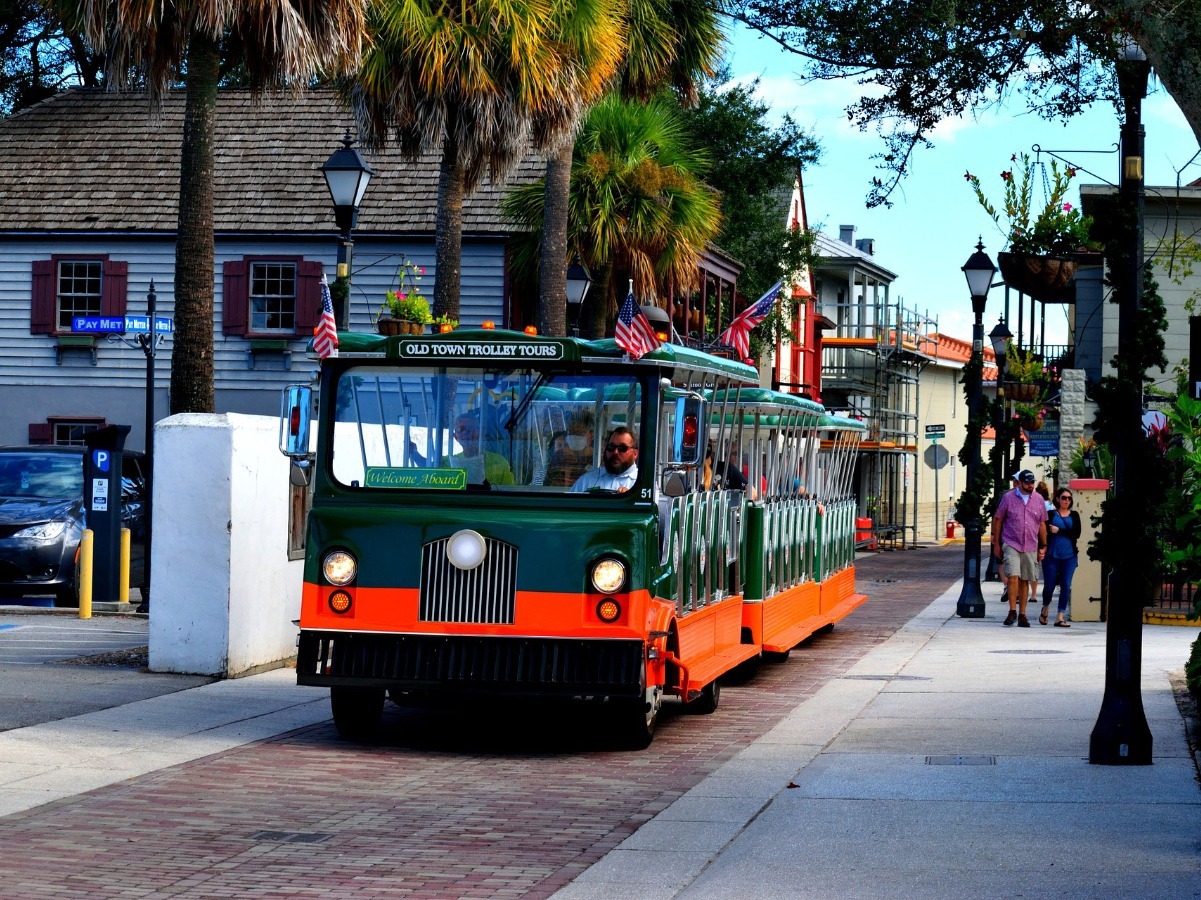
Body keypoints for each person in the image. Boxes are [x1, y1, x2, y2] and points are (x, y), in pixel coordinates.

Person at [990, 469, 1047, 627]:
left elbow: (1042, 523)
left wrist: (1043, 545)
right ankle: (1012, 611)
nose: (1030, 485)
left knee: (1025, 579)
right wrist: (996, 543)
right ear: (1020, 483)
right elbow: (998, 519)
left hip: (1030, 544)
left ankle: (1022, 614)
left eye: (1032, 482)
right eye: (1027, 482)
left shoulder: (1038, 499)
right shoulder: (1008, 497)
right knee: (1013, 576)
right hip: (1011, 542)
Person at [1040, 486, 1081, 627]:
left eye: (1069, 498)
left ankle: (1060, 616)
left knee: (1066, 584)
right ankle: (1045, 608)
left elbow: (1076, 533)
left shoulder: (1074, 515)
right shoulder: (1050, 514)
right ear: (1058, 499)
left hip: (1070, 556)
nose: (1067, 500)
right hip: (1052, 555)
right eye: (1064, 498)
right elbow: (1043, 531)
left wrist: (1059, 530)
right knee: (1049, 585)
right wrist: (1042, 548)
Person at [449, 412, 514, 485]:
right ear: (455, 437)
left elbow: (508, 490)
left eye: (471, 428)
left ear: (481, 433)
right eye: (461, 429)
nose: (467, 433)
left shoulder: (500, 463)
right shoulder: (447, 463)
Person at [570, 427, 638, 493]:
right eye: (611, 447)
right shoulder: (587, 480)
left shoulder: (641, 484)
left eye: (622, 448)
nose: (615, 452)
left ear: (635, 454)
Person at [544, 412, 594, 486]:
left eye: (580, 433)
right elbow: (546, 486)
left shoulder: (597, 459)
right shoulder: (558, 457)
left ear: (591, 436)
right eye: (571, 432)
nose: (574, 436)